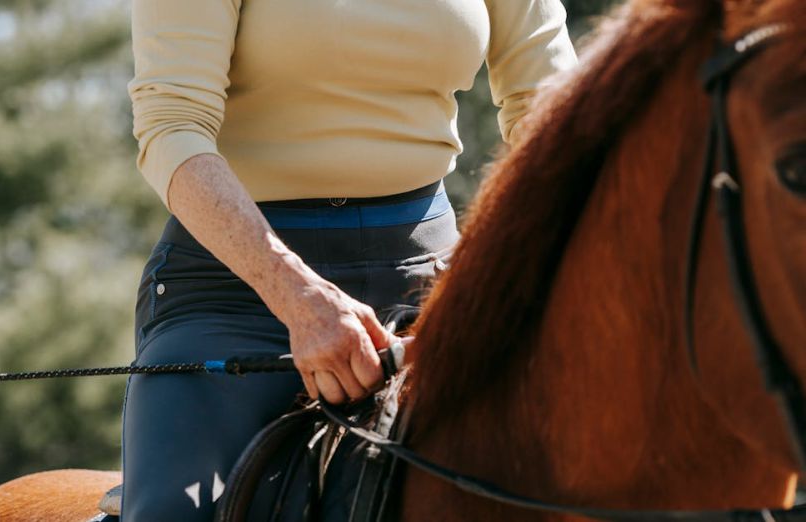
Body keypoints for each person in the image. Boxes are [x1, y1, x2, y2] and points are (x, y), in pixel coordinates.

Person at [120, 0, 577, 520]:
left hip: (430, 280)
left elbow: (554, 116)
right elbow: (172, 125)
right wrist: (297, 295)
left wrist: (499, 276)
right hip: (234, 292)